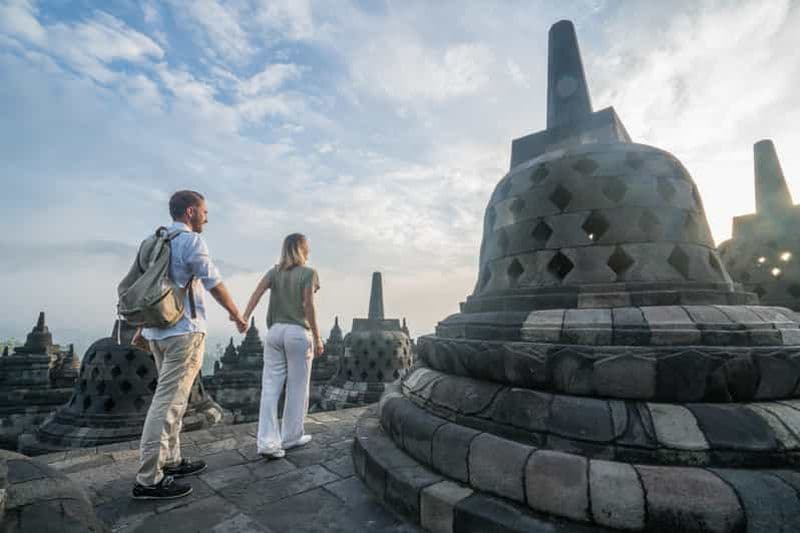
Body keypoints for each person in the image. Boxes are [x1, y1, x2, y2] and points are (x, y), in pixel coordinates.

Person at [132, 190, 247, 500]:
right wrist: (236, 314)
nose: (207, 217)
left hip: (158, 332)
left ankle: (170, 460)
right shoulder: (190, 241)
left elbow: (147, 289)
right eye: (204, 211)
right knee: (167, 404)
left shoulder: (151, 242)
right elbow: (213, 282)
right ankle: (148, 479)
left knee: (176, 402)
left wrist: (141, 327)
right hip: (184, 332)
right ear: (190, 212)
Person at [242, 233, 324, 459]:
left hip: (274, 332)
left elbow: (256, 293)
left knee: (270, 388)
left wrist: (244, 317)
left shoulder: (274, 272)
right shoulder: (309, 273)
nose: (309, 250)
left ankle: (267, 443)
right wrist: (317, 337)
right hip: (298, 333)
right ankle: (291, 437)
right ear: (301, 249)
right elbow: (309, 305)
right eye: (307, 246)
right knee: (298, 388)